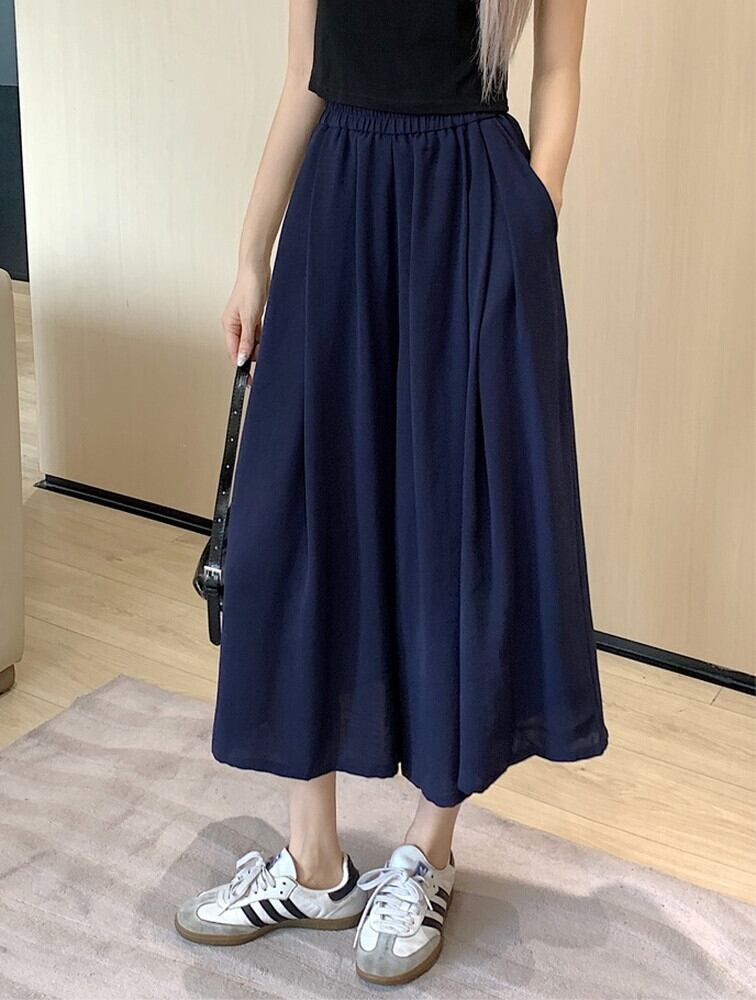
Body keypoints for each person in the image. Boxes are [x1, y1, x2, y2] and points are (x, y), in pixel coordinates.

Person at [176, 0, 609, 985]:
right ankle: (313, 863)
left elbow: (557, 72)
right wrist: (251, 251)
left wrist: (532, 217)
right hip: (338, 209)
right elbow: (306, 76)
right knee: (304, 521)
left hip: (472, 216)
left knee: (455, 529)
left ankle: (429, 848)